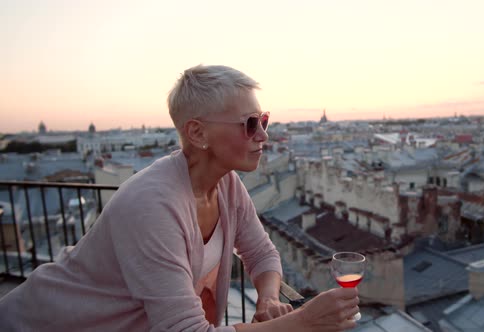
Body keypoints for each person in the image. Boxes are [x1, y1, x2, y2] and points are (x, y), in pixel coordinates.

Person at [0, 64, 359, 331]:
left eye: (264, 119)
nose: (263, 134)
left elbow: (261, 252)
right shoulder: (152, 205)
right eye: (250, 123)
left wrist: (268, 298)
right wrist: (304, 322)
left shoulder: (227, 184)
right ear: (197, 132)